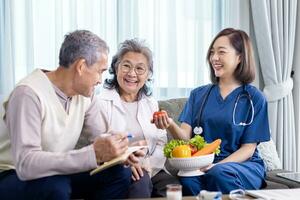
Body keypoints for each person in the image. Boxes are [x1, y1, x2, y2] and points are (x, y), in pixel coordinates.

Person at [0, 30, 141, 200]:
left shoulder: (85, 96)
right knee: (56, 186)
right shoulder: (28, 94)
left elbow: (102, 136)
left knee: (118, 173)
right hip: (12, 174)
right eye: (99, 71)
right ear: (81, 67)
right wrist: (92, 155)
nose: (100, 80)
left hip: (55, 173)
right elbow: (26, 164)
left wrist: (120, 150)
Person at [153, 28, 271, 195]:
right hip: (203, 163)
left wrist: (217, 165)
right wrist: (170, 124)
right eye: (212, 52)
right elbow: (186, 138)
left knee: (219, 174)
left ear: (240, 57)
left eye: (221, 52)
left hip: (242, 165)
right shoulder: (198, 95)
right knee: (187, 179)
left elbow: (248, 149)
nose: (214, 58)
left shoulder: (255, 98)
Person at [97, 38, 179, 198]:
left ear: (148, 74)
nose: (132, 74)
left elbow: (161, 143)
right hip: (121, 168)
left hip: (153, 168)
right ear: (116, 67)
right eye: (126, 66)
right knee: (140, 183)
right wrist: (127, 160)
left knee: (174, 189)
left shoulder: (151, 104)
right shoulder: (101, 103)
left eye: (140, 68)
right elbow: (100, 144)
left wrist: (149, 165)